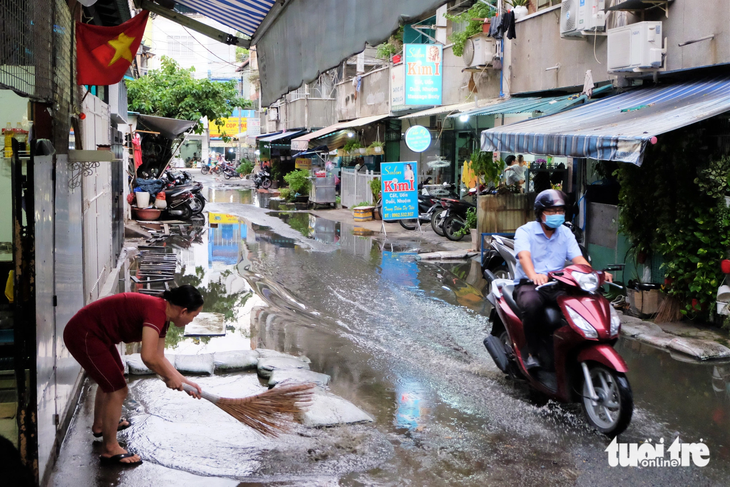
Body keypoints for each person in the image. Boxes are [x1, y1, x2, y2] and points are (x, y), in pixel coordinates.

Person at [63, 286, 204, 466]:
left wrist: (184, 382)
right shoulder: (156, 311)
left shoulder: (163, 316)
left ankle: (100, 425)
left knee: (114, 375)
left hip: (98, 335)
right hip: (84, 333)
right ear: (183, 311)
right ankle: (110, 448)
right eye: (194, 315)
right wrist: (170, 377)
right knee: (118, 390)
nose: (192, 320)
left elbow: (159, 357)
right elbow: (148, 357)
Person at [513, 190, 611, 370]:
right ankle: (532, 353)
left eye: (560, 211)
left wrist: (596, 274)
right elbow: (524, 256)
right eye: (551, 211)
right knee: (532, 304)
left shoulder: (565, 233)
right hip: (530, 284)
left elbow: (578, 259)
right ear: (540, 213)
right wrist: (534, 275)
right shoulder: (525, 231)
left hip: (557, 284)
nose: (557, 215)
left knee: (582, 305)